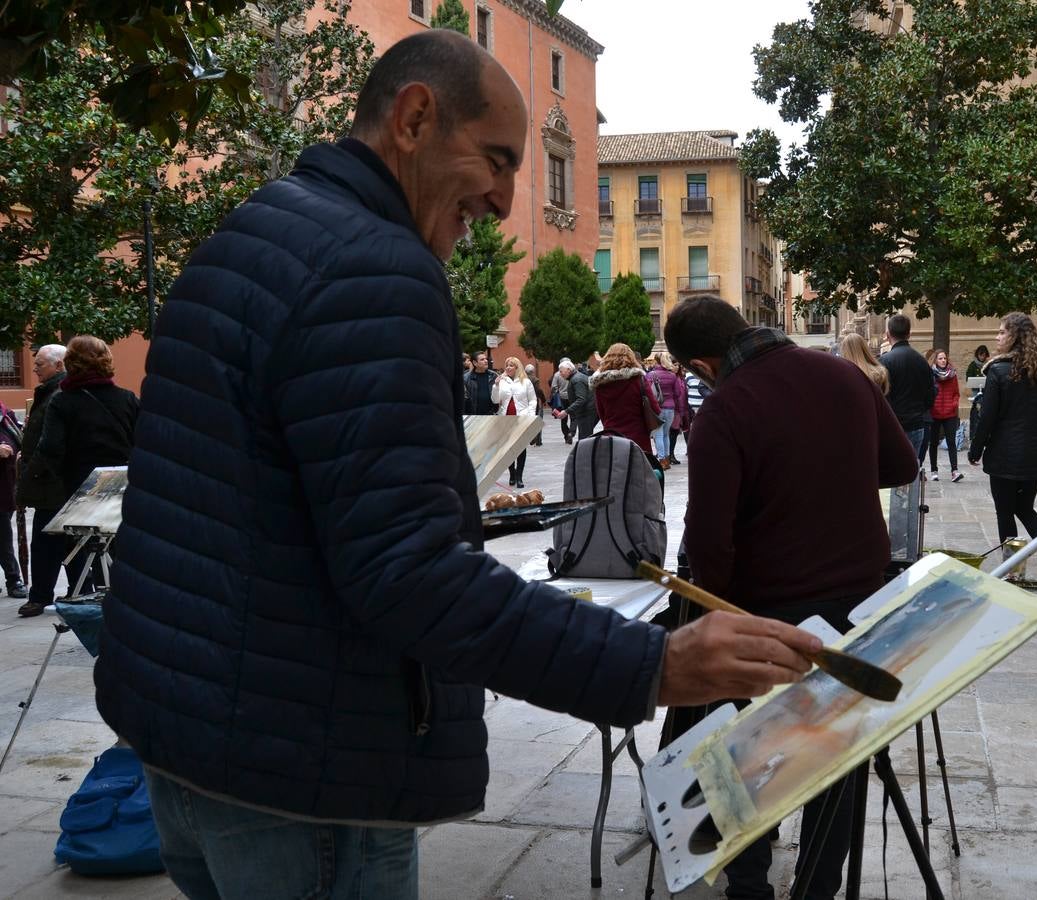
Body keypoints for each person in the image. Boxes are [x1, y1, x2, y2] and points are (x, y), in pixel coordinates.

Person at [93, 32, 823, 899]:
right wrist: (653, 666)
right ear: (414, 118)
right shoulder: (377, 268)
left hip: (186, 736)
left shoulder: (253, 229)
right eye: (496, 159)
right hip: (304, 769)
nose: (507, 195)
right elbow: (407, 575)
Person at [667, 295, 916, 900]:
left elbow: (707, 543)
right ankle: (817, 887)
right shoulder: (843, 375)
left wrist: (712, 609)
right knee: (837, 752)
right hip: (858, 602)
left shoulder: (725, 408)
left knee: (749, 754)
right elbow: (902, 465)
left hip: (767, 612)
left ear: (702, 362)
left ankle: (749, 886)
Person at [25, 336, 138, 612]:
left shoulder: (63, 402)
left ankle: (89, 610)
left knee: (83, 550)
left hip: (80, 492)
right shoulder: (127, 398)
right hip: (121, 489)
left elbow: (50, 449)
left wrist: (40, 476)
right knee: (115, 554)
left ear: (71, 363)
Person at [968, 312, 1037, 590]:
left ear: (1014, 337)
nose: (997, 337)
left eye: (1001, 332)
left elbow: (988, 417)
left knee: (1005, 512)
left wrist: (976, 449)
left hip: (1004, 452)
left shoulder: (999, 371)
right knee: (1025, 508)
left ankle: (1012, 571)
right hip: (1034, 451)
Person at [15, 344, 69, 612]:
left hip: (54, 482)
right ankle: (45, 593)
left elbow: (50, 445)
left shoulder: (59, 394)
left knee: (53, 541)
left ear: (59, 365)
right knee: (51, 540)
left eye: (40, 364)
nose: (34, 369)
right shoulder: (50, 392)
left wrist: (29, 475)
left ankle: (43, 595)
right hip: (49, 483)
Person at [879, 314, 935, 465]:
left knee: (893, 472)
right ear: (909, 334)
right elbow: (931, 394)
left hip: (894, 425)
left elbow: (881, 397)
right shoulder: (921, 361)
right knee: (912, 471)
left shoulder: (885, 361)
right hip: (917, 423)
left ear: (888, 335)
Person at [591, 343, 662, 460]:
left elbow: (601, 413)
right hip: (638, 436)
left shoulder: (600, 384)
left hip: (612, 436)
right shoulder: (639, 380)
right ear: (631, 358)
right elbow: (655, 408)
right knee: (638, 472)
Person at [491, 356, 535, 488]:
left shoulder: (526, 382)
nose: (508, 367)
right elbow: (494, 400)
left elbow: (533, 400)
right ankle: (512, 474)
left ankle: (520, 476)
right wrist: (496, 385)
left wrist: (530, 415)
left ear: (517, 367)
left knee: (521, 448)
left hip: (521, 418)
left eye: (511, 365)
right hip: (505, 418)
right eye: (507, 365)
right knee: (508, 448)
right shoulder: (502, 382)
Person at [926, 349, 963, 482]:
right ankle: (934, 470)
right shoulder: (930, 375)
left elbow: (956, 393)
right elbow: (928, 393)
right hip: (935, 413)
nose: (943, 361)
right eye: (940, 358)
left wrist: (954, 404)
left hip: (949, 413)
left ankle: (954, 471)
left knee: (951, 442)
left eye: (944, 358)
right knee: (934, 443)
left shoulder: (952, 375)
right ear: (935, 360)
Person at [0, 397, 23, 601]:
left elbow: (18, 438)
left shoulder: (6, 414)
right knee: (3, 535)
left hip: (5, 487)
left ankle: (13, 579)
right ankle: (13, 579)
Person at [646, 352, 683, 469]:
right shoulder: (672, 376)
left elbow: (647, 392)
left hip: (656, 408)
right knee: (666, 434)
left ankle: (662, 460)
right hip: (670, 408)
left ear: (656, 361)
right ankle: (667, 459)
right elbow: (678, 393)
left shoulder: (651, 375)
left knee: (658, 434)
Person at [555, 358, 597, 440]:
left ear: (568, 370)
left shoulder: (576, 379)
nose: (560, 374)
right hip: (587, 411)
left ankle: (584, 453)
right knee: (585, 437)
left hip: (587, 412)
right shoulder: (576, 377)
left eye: (561, 371)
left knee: (584, 438)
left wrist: (566, 411)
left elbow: (581, 399)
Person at [464, 350, 497, 414]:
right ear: (475, 363)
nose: (486, 361)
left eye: (486, 359)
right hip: (473, 416)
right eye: (482, 359)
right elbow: (464, 400)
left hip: (491, 414)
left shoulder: (493, 376)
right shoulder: (466, 378)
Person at [550, 357, 573, 444]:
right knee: (573, 418)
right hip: (572, 398)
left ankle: (567, 434)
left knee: (563, 419)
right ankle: (571, 432)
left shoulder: (557, 375)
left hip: (562, 399)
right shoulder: (573, 374)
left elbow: (553, 387)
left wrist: (555, 395)